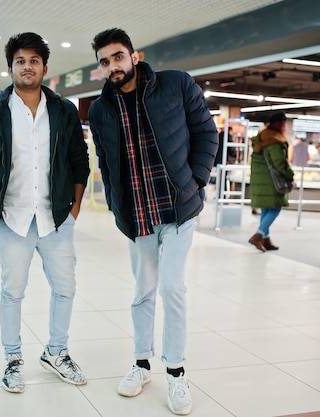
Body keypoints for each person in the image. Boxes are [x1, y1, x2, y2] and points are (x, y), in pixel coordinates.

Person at [88, 28, 218, 415]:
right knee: (142, 292)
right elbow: (106, 163)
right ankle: (142, 364)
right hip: (138, 214)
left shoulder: (176, 85)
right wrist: (115, 204)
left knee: (172, 288)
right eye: (105, 61)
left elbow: (206, 132)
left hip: (177, 209)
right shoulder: (100, 110)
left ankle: (176, 372)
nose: (113, 66)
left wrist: (195, 181)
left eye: (118, 57)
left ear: (134, 56)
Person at [0, 32, 90, 394]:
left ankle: (57, 351)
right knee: (13, 291)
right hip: (12, 218)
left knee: (65, 288)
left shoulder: (64, 111)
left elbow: (78, 160)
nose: (27, 66)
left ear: (45, 68)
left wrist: (75, 209)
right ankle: (12, 358)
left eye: (34, 61)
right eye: (20, 61)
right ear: (10, 68)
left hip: (56, 219)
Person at [248, 111, 295, 252]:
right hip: (272, 181)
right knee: (275, 208)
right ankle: (259, 235)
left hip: (261, 179)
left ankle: (266, 239)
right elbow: (280, 163)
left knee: (266, 208)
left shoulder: (261, 137)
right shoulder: (275, 141)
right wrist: (290, 176)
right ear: (281, 124)